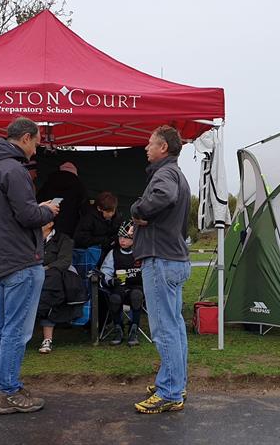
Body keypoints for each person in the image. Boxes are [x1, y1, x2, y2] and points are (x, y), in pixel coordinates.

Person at [0, 117, 59, 415]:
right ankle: (9, 392)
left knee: (0, 326)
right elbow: (27, 216)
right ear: (25, 138)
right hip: (21, 259)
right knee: (16, 330)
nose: (36, 149)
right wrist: (46, 210)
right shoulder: (15, 169)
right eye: (36, 142)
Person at [131, 125, 191, 414]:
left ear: (163, 148)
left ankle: (169, 392)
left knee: (164, 329)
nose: (146, 147)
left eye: (150, 143)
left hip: (161, 259)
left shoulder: (164, 174)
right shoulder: (177, 173)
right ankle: (174, 383)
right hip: (175, 259)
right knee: (175, 327)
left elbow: (163, 196)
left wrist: (139, 210)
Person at [36, 220, 80, 354]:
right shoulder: (29, 238)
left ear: (50, 224)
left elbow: (64, 261)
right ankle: (46, 340)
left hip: (56, 279)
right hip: (34, 277)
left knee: (49, 290)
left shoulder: (63, 239)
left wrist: (45, 268)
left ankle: (46, 338)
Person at [100, 221, 143, 347]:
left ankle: (134, 329)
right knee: (114, 298)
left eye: (126, 238)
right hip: (119, 286)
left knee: (136, 296)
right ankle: (118, 328)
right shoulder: (113, 253)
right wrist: (110, 281)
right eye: (120, 237)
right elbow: (106, 271)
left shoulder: (140, 253)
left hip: (137, 287)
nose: (122, 240)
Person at [36, 161, 88, 237]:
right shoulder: (78, 185)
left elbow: (38, 200)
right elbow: (84, 206)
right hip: (70, 224)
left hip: (49, 223)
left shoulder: (48, 183)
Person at [73, 191, 120, 259]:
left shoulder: (118, 217)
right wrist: (104, 240)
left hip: (111, 252)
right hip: (91, 254)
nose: (110, 214)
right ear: (99, 208)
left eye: (112, 211)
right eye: (107, 212)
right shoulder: (88, 218)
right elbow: (80, 239)